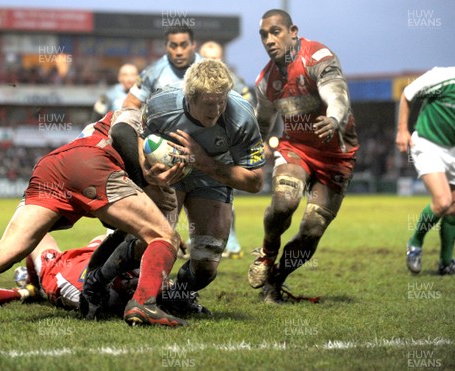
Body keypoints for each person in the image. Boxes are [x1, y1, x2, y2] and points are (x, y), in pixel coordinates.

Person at [0, 108, 188, 328]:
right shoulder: (134, 120)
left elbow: (111, 221)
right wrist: (148, 186)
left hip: (52, 167)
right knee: (165, 237)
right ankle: (143, 303)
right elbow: (125, 136)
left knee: (3, 252)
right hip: (90, 163)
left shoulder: (121, 134)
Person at [248, 9, 359, 304]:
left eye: (276, 32)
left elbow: (337, 95)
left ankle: (276, 279)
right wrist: (246, 149)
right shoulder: (265, 81)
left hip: (337, 154)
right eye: (263, 35)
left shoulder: (318, 57)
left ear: (293, 31)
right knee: (284, 201)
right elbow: (262, 123)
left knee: (312, 229)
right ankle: (268, 252)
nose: (269, 40)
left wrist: (334, 119)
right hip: (296, 149)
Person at [142, 58, 265, 314]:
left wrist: (204, 162)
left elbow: (255, 182)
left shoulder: (241, 116)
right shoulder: (160, 106)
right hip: (170, 175)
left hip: (213, 178)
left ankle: (177, 297)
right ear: (190, 96)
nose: (217, 109)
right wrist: (148, 174)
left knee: (206, 267)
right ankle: (110, 285)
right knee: (150, 242)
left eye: (222, 101)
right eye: (210, 103)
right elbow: (136, 143)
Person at [396, 35, 455, 274]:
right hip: (427, 143)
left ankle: (446, 263)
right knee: (443, 202)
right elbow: (408, 93)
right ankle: (415, 243)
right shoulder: (444, 76)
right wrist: (402, 130)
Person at [198, 40, 254, 260]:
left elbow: (250, 113)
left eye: (215, 58)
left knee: (224, 196)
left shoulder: (235, 83)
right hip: (195, 146)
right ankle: (199, 239)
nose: (211, 62)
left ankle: (230, 241)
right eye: (206, 58)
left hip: (224, 148)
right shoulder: (190, 82)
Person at [123, 26, 200, 109]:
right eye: (173, 46)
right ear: (166, 47)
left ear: (193, 45)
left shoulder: (210, 70)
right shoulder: (152, 72)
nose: (179, 52)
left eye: (184, 45)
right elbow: (130, 104)